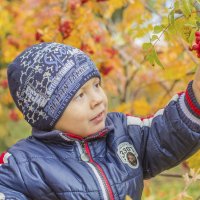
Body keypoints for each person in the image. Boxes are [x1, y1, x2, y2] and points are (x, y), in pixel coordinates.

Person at [0, 42, 199, 200]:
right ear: (47, 114)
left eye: (96, 85)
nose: (97, 99)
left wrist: (197, 94)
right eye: (79, 95)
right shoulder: (23, 165)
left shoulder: (121, 132)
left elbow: (165, 134)